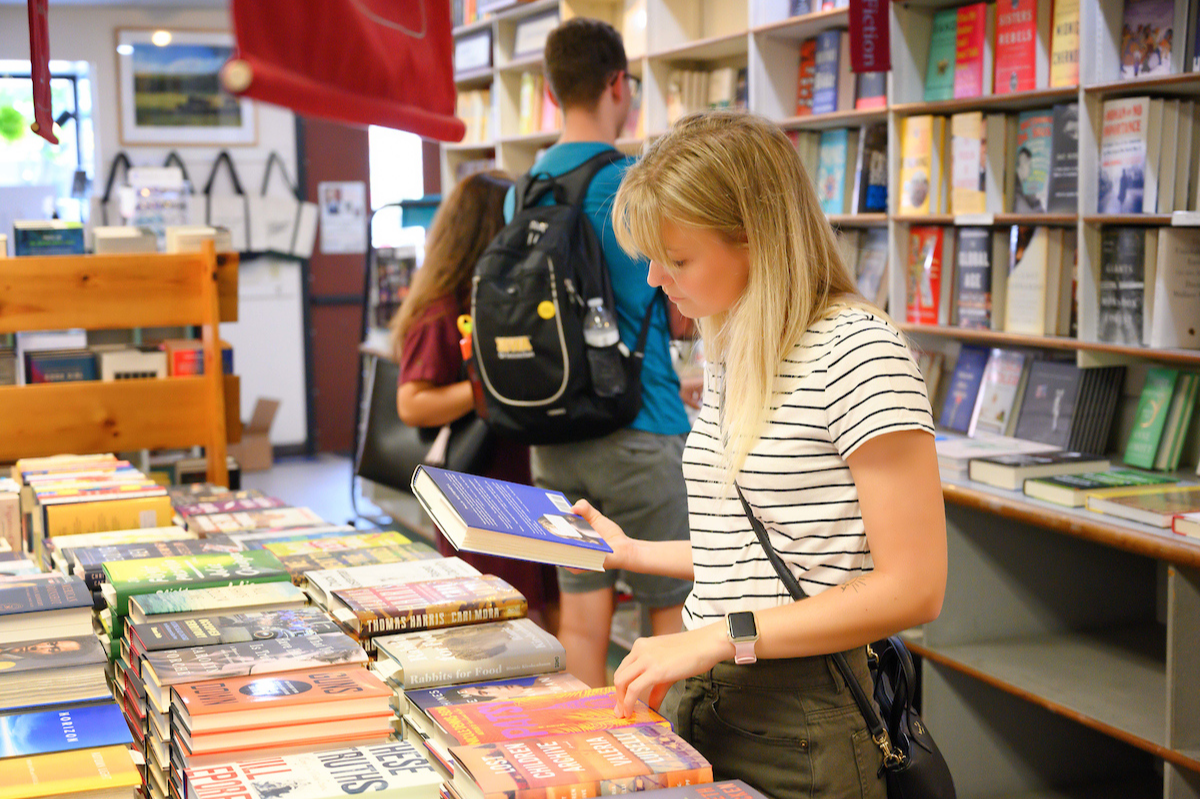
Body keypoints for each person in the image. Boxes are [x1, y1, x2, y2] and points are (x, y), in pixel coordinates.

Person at [571, 110, 948, 799]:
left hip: (803, 717)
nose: (655, 277)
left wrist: (719, 636)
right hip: (710, 699)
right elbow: (773, 544)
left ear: (755, 236)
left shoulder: (858, 351)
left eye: (677, 258)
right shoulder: (733, 343)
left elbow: (913, 586)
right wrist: (634, 552)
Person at [504, 17, 695, 687]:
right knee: (665, 619)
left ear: (553, 92)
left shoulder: (521, 191)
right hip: (642, 425)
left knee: (582, 619)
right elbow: (671, 300)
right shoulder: (634, 183)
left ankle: (590, 769)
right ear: (619, 84)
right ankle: (661, 775)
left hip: (554, 433)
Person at [391, 170, 559, 633]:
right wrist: (489, 386)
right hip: (478, 485)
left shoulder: (493, 300)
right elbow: (412, 404)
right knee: (498, 619)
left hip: (514, 480)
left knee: (535, 611)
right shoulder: (443, 310)